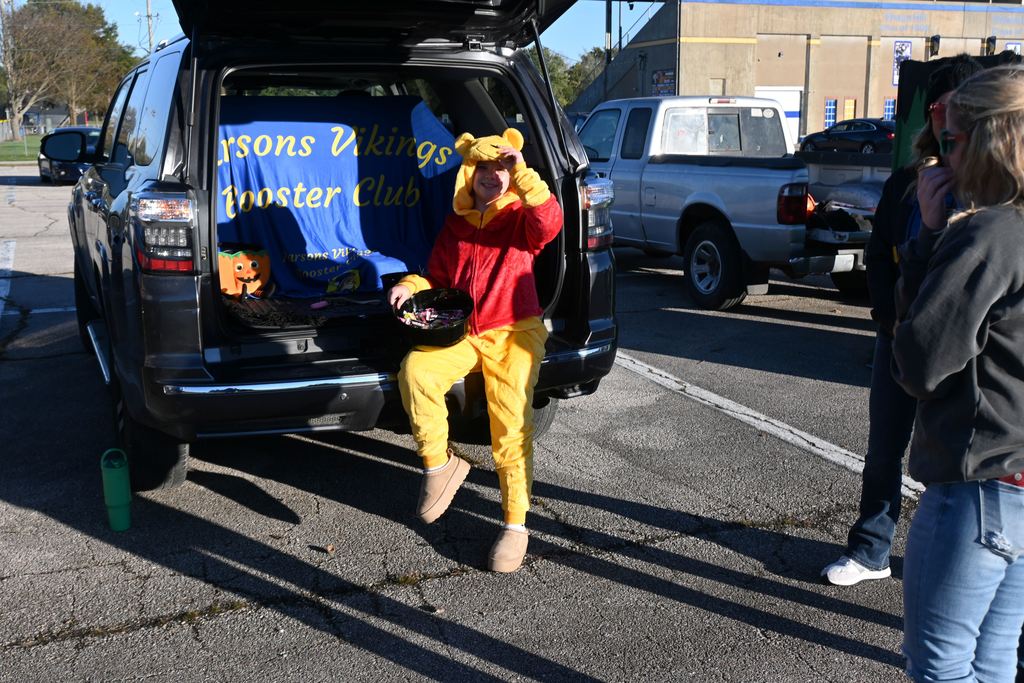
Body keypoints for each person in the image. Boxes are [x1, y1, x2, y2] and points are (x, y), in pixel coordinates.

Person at [821, 54, 984, 586]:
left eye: (955, 109)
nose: (943, 121)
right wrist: (888, 320)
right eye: (936, 108)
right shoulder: (906, 184)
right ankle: (871, 549)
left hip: (967, 355)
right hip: (899, 340)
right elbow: (879, 253)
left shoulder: (996, 195)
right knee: (884, 448)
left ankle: (957, 564)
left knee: (957, 461)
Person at [893, 64, 1024, 682]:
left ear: (991, 141)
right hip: (1018, 482)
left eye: (952, 140)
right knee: (994, 663)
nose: (944, 156)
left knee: (940, 666)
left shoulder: (991, 235)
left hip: (978, 485)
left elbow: (918, 361)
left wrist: (925, 237)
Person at [388, 127, 562, 573]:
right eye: (482, 168)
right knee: (416, 370)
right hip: (464, 332)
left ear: (512, 172)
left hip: (514, 331)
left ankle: (515, 525)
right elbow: (439, 278)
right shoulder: (457, 224)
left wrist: (524, 175)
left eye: (501, 168)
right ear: (469, 172)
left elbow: (550, 222)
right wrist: (410, 286)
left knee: (509, 426)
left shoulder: (523, 217)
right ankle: (438, 467)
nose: (492, 176)